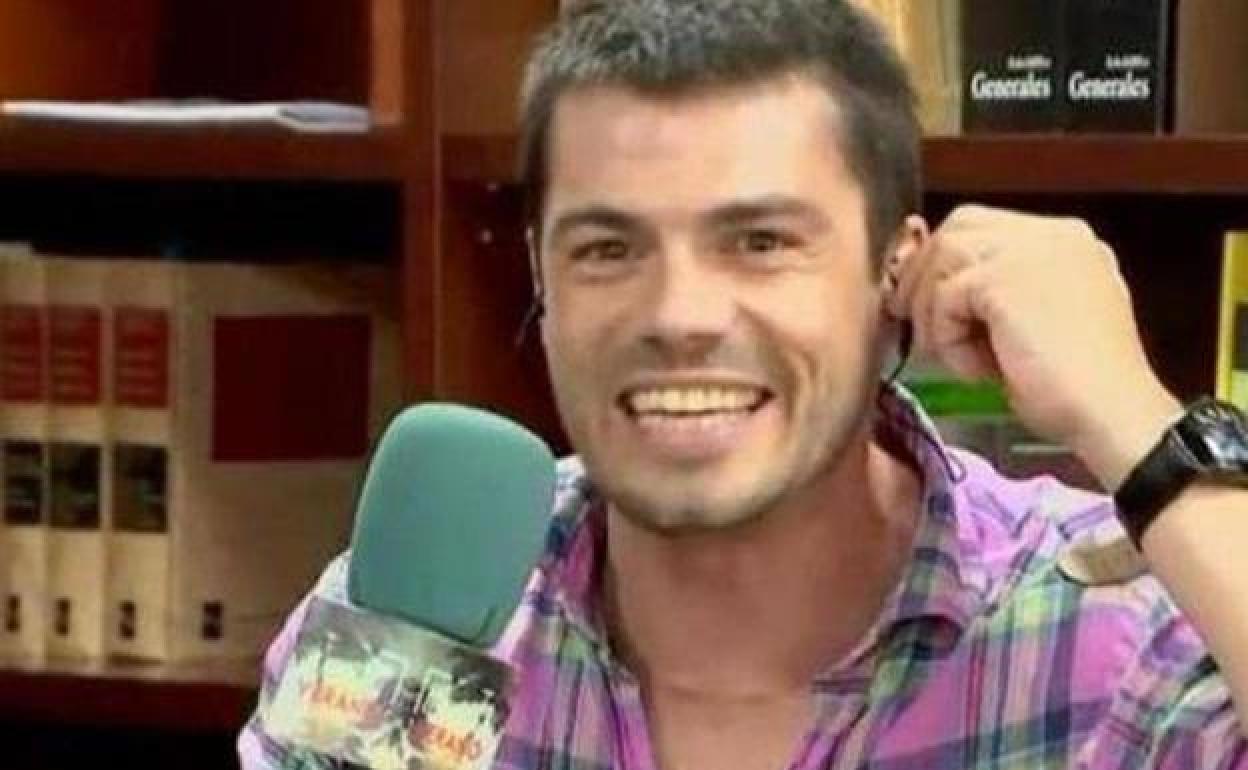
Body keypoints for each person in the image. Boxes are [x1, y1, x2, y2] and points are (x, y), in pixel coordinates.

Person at [240, 1, 1248, 767]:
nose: (679, 314)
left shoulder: (1103, 635)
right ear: (541, 274)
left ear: (896, 272)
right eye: (607, 249)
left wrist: (1134, 420)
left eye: (760, 241)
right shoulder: (438, 619)